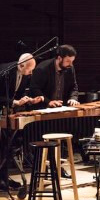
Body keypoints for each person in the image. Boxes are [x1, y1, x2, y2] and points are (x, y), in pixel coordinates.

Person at [29, 44, 80, 179]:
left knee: (61, 139)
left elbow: (74, 86)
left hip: (60, 110)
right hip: (43, 111)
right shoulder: (42, 69)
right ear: (59, 58)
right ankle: (44, 168)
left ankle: (58, 167)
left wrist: (73, 98)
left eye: (72, 61)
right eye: (68, 61)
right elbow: (34, 89)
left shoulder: (70, 68)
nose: (70, 64)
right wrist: (48, 101)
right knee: (46, 140)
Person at [0, 53, 41, 191]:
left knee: (7, 147)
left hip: (8, 113)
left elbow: (18, 93)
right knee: (2, 147)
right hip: (1, 111)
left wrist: (27, 99)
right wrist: (13, 102)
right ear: (22, 65)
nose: (31, 73)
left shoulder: (24, 75)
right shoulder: (4, 72)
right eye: (29, 69)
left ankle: (4, 178)